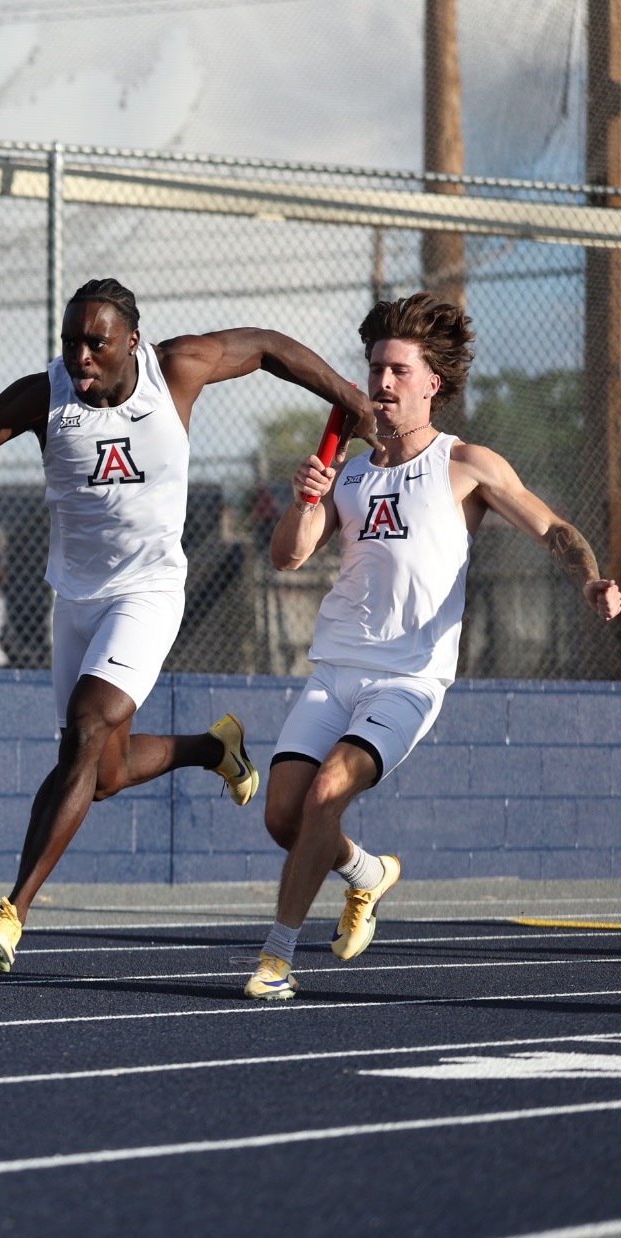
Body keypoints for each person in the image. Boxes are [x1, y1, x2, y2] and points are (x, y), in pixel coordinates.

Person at [0, 277, 375, 972]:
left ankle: (14, 911)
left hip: (149, 590)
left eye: (97, 343)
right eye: (70, 342)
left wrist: (349, 398)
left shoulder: (177, 371)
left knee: (86, 728)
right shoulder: (44, 397)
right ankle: (213, 749)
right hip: (76, 600)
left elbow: (265, 346)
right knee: (102, 773)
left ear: (132, 342)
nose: (80, 357)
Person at [244, 293, 621, 1000]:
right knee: (284, 816)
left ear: (431, 384)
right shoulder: (350, 470)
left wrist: (591, 578)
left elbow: (553, 530)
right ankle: (366, 873)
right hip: (335, 669)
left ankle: (276, 957)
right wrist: (306, 498)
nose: (381, 382)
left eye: (397, 370)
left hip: (408, 680)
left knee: (328, 791)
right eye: (375, 369)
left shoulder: (465, 465)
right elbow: (287, 557)